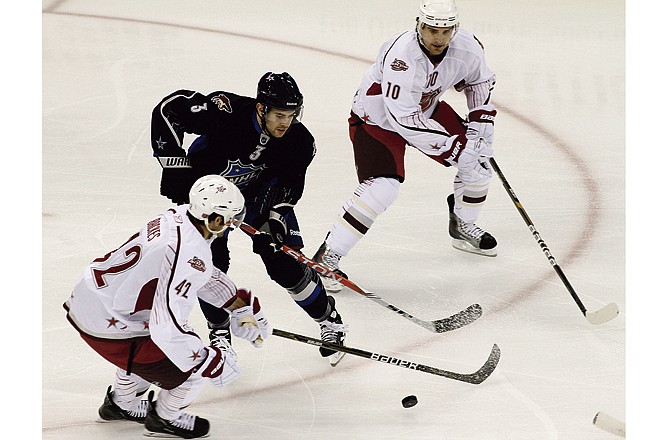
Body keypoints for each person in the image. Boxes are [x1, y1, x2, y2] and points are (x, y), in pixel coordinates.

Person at [150, 72, 347, 365]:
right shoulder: (226, 112)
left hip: (258, 198)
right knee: (210, 266)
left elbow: (289, 186)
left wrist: (275, 221)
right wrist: (174, 164)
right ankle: (219, 332)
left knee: (284, 265)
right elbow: (170, 109)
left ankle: (329, 319)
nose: (286, 122)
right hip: (212, 199)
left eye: (291, 115)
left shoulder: (300, 141)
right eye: (279, 114)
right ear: (261, 108)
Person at [312, 0, 499, 292]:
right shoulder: (403, 56)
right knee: (383, 188)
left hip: (425, 108)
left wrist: (479, 132)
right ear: (419, 25)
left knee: (479, 162)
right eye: (431, 29)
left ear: (455, 29)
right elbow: (404, 119)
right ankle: (328, 255)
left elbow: (479, 83)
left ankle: (463, 224)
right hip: (377, 118)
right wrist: (454, 149)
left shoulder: (468, 47)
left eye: (445, 30)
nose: (438, 38)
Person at [64, 175, 270, 438]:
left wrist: (239, 307)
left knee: (149, 338)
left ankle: (122, 404)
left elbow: (200, 271)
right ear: (215, 219)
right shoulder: (188, 251)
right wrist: (211, 361)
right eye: (230, 218)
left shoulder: (179, 218)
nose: (233, 224)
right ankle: (165, 419)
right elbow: (168, 327)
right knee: (191, 366)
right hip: (108, 324)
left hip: (91, 300)